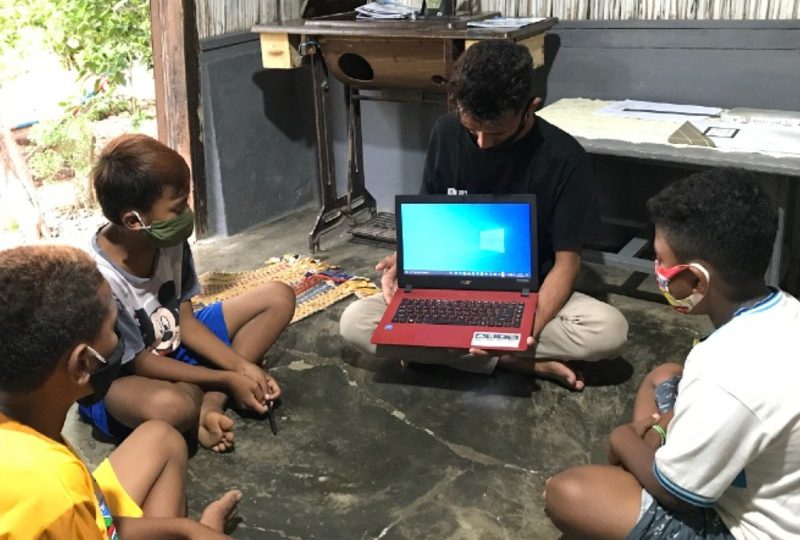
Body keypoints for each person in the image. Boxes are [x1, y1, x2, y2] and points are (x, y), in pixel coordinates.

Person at [339, 40, 628, 390]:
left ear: (531, 107)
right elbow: (433, 219)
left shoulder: (565, 158)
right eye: (471, 129)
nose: (482, 144)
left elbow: (567, 264)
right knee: (355, 322)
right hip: (449, 282)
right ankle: (515, 363)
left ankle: (454, 352)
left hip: (530, 292)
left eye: (497, 132)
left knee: (608, 331)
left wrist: (522, 333)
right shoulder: (445, 132)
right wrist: (405, 258)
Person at [544, 169, 800, 539]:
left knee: (568, 493)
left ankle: (647, 463)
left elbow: (676, 494)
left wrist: (623, 438)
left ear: (696, 279)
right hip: (764, 475)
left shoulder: (725, 371)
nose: (658, 271)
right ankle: (654, 454)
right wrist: (662, 427)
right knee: (664, 375)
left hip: (753, 528)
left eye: (661, 260)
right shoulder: (786, 308)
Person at [0, 244, 241, 538]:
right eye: (114, 328)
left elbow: (98, 522)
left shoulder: (25, 423)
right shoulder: (57, 495)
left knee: (162, 438)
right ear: (82, 364)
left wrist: (186, 529)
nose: (119, 338)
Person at [80, 133, 296, 452]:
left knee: (278, 297)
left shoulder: (168, 239)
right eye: (178, 207)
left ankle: (209, 404)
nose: (186, 214)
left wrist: (241, 367)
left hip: (172, 342)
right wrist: (227, 375)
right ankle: (204, 400)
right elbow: (141, 363)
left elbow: (187, 321)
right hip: (125, 377)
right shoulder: (101, 279)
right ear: (133, 220)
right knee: (171, 407)